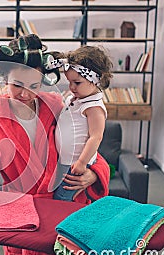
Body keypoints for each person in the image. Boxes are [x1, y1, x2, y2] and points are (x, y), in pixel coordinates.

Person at [0, 34, 110, 255]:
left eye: (34, 86)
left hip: (65, 208)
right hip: (21, 213)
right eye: (17, 85)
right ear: (5, 78)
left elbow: (83, 144)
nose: (25, 94)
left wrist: (94, 172)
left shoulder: (55, 106)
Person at [45, 45, 113, 201]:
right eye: (69, 81)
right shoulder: (75, 98)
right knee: (57, 197)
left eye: (77, 82)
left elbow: (95, 137)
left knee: (62, 200)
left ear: (96, 80)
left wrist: (82, 162)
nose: (71, 87)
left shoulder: (94, 107)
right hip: (64, 161)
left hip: (76, 164)